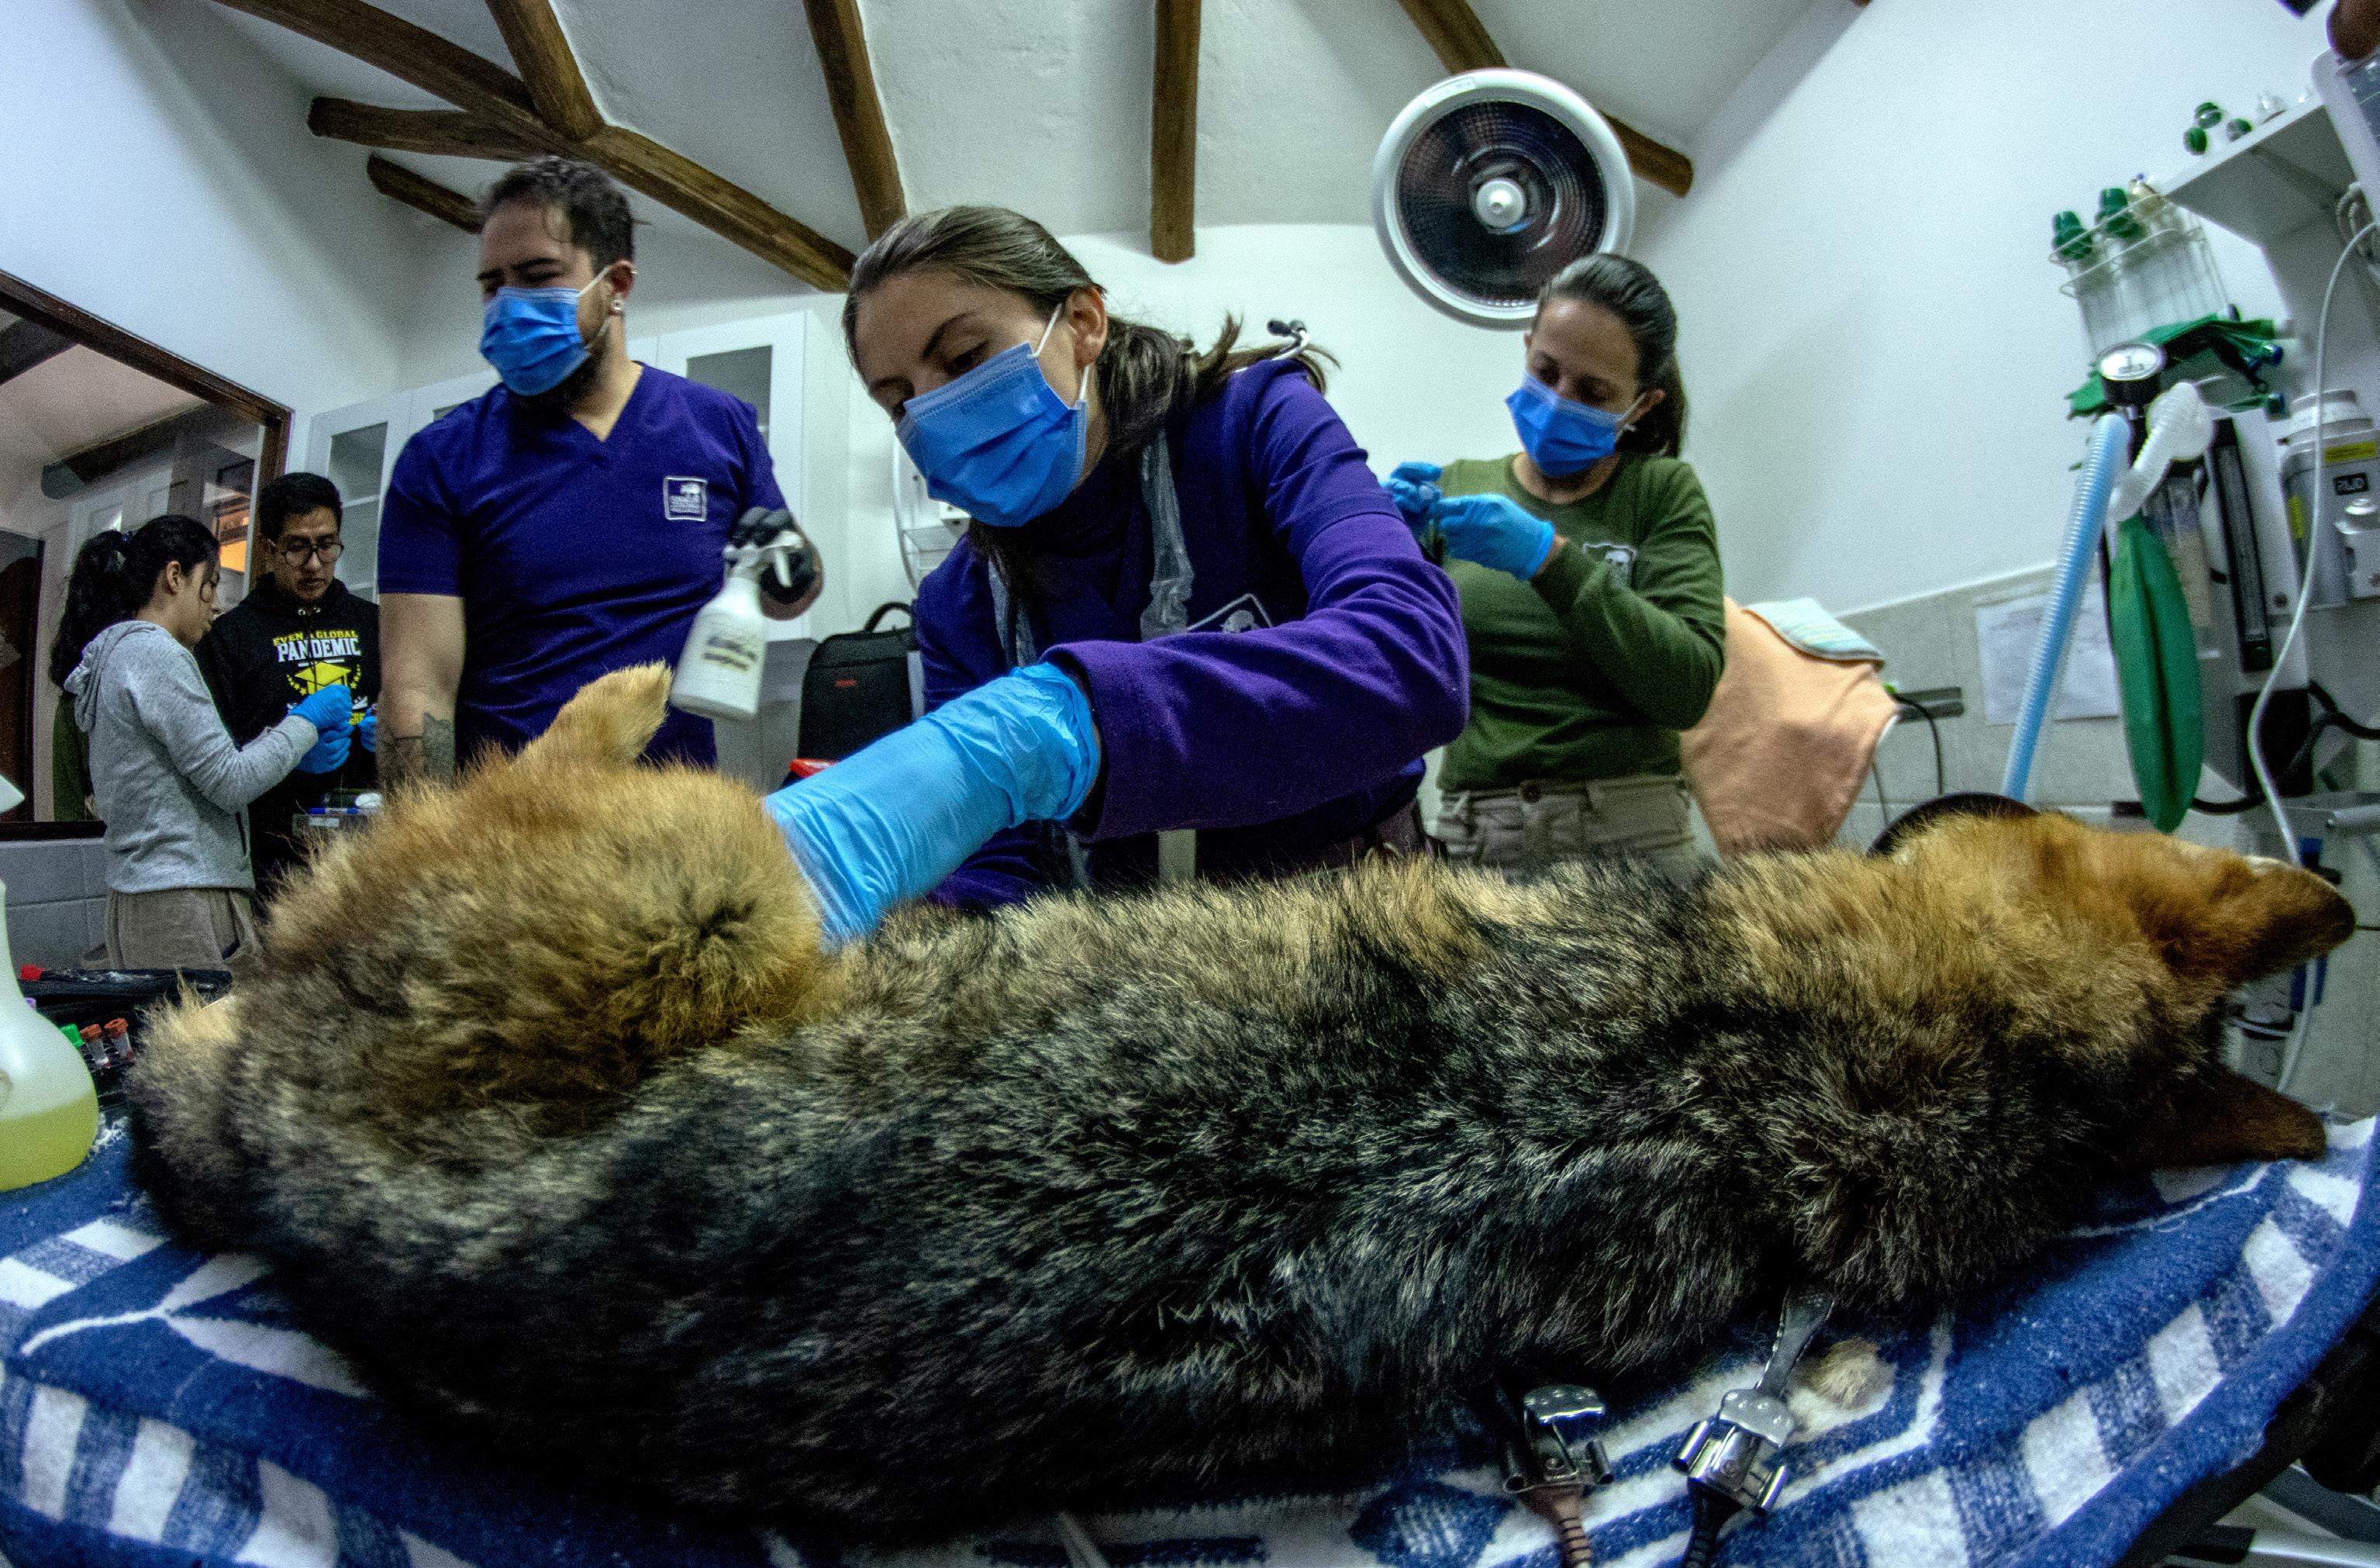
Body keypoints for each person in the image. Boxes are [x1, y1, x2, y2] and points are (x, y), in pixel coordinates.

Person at [762, 205, 1468, 944]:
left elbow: (1412, 656)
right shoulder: (958, 602)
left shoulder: (1255, 421)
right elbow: (1002, 862)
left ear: (1083, 322)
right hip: (1133, 966)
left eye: (965, 360)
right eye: (900, 401)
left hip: (1358, 927)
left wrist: (1058, 727)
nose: (934, 414)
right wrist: (928, 925)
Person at [377, 156, 819, 786]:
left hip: (675, 818)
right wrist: (419, 838)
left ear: (617, 285)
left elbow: (786, 596)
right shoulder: (441, 459)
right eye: (492, 286)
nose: (509, 305)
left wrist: (796, 563)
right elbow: (418, 687)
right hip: (514, 819)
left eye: (538, 277)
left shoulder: (718, 426)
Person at [1386, 255, 1723, 873]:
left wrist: (1551, 560)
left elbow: (1687, 689)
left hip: (1633, 839)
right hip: (1478, 839)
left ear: (1641, 405)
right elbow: (1399, 682)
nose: (1558, 400)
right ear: (1526, 349)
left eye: (1593, 392)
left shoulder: (1661, 492)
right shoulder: (1458, 489)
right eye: (1545, 372)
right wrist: (1388, 558)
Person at [58, 516, 353, 969]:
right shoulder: (155, 654)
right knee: (209, 1019)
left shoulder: (121, 655)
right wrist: (306, 721)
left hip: (149, 895)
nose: (215, 604)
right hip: (181, 899)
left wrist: (293, 754)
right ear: (175, 577)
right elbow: (230, 782)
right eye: (210, 584)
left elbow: (198, 773)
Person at [197, 471, 378, 896]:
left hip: (368, 850)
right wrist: (286, 752)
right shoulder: (229, 638)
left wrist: (389, 734)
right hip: (273, 859)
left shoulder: (374, 624)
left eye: (326, 545)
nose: (314, 564)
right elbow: (215, 763)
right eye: (297, 547)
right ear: (269, 548)